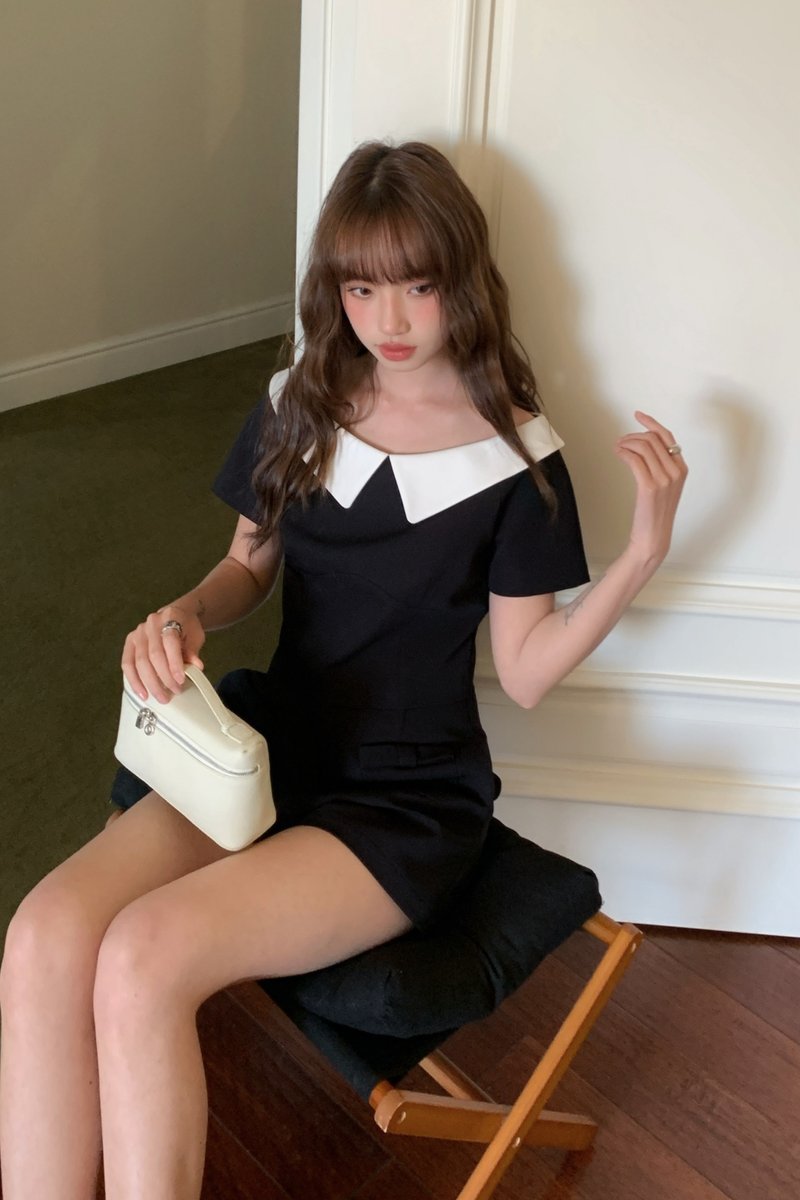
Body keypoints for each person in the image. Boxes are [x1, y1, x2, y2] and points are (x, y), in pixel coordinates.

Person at [0, 139, 687, 1198]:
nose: (389, 320)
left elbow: (526, 671)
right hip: (273, 750)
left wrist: (640, 555)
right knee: (45, 933)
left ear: (463, 280)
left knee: (143, 960)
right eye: (362, 289)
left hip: (399, 803)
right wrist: (184, 612)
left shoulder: (515, 457)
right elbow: (247, 566)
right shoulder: (302, 401)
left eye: (417, 286)